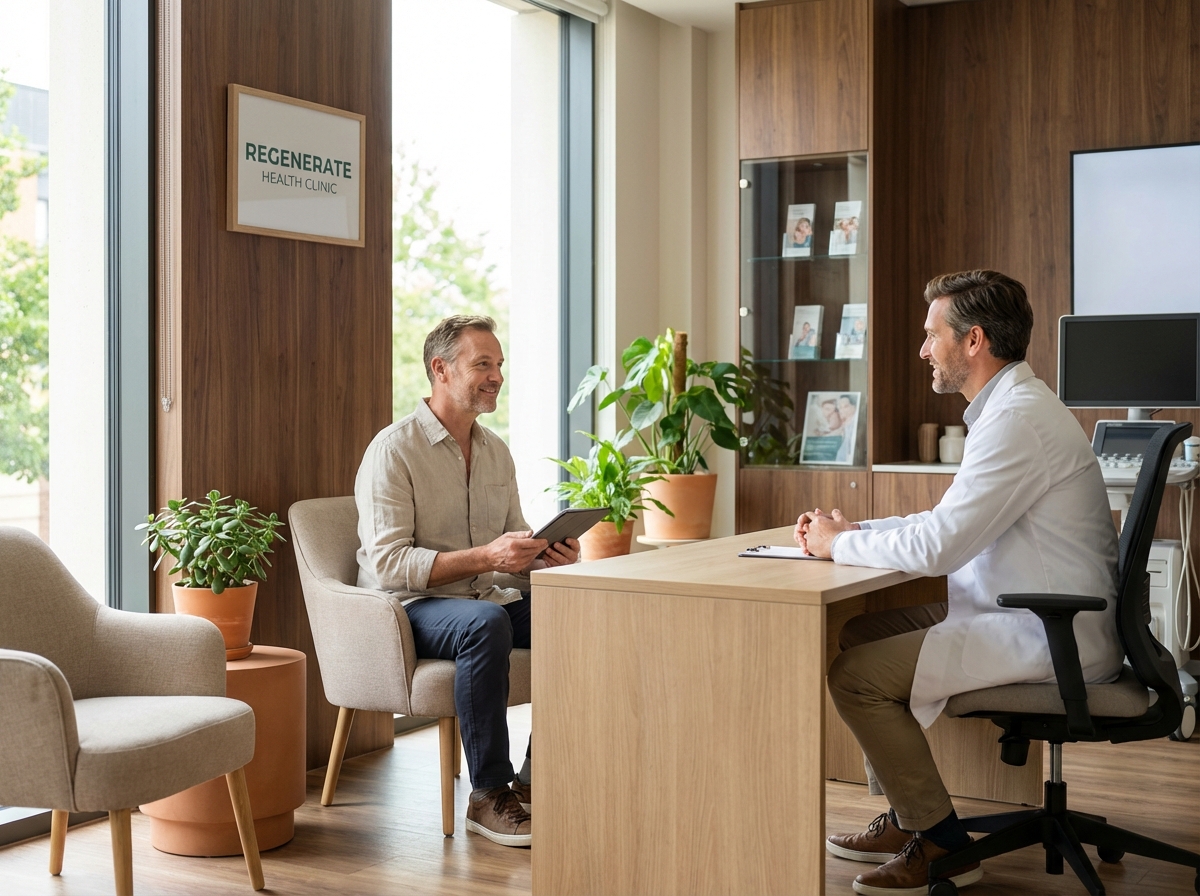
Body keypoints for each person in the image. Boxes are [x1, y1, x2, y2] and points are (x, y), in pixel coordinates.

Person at [794, 270, 1122, 894]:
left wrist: (839, 544)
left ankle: (943, 845)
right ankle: (906, 810)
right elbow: (946, 520)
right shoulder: (1010, 409)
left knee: (856, 677)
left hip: (1048, 631)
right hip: (1026, 611)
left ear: (973, 342)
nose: (922, 350)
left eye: (931, 335)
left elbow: (942, 546)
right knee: (860, 631)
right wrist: (861, 526)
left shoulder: (1016, 421)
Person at [354, 314, 580, 848]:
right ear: (440, 369)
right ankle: (487, 793)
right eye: (483, 363)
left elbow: (505, 551)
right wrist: (489, 555)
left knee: (574, 609)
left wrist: (542, 556)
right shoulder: (393, 451)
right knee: (485, 624)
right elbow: (388, 563)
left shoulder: (496, 450)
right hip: (411, 606)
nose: (496, 375)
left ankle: (537, 774)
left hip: (481, 597)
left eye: (499, 365)